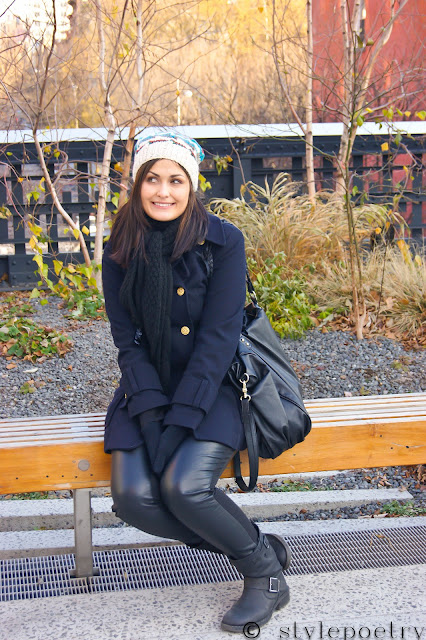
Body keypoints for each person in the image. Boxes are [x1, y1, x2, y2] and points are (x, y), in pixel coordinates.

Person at [101, 131, 291, 633]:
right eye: (152, 179)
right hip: (146, 388)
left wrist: (183, 419)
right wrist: (153, 417)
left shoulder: (222, 241)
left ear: (192, 185)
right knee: (134, 498)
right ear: (138, 184)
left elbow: (218, 338)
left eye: (176, 180)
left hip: (214, 384)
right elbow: (127, 342)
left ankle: (264, 577)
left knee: (184, 488)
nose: (163, 191)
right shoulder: (119, 247)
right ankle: (257, 550)